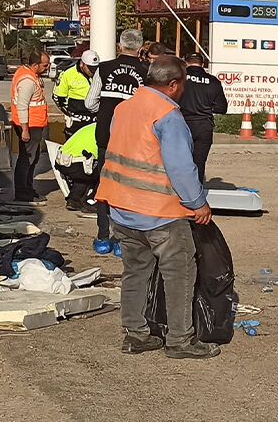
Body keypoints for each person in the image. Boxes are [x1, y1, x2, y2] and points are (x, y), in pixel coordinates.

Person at [96, 55, 218, 359]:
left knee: (135, 271)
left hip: (121, 207)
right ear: (174, 84)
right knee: (179, 272)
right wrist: (198, 204)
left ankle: (135, 334)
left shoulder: (124, 108)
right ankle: (180, 339)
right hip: (159, 213)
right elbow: (181, 167)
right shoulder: (168, 115)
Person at [85, 29, 148, 254]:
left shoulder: (104, 68)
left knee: (105, 186)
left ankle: (103, 238)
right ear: (140, 49)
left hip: (106, 136)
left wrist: (104, 113)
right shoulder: (147, 72)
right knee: (129, 188)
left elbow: (90, 102)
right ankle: (123, 240)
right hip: (134, 139)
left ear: (119, 46)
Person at [179, 52, 227, 184]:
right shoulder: (213, 82)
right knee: (199, 163)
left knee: (179, 162)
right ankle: (196, 195)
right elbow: (222, 108)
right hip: (203, 126)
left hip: (181, 124)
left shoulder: (179, 78)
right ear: (203, 64)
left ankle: (177, 194)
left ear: (185, 62)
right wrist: (205, 107)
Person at [9, 50, 51, 203]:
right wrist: (25, 130)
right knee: (27, 159)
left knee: (32, 159)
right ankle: (23, 192)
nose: (48, 67)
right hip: (29, 125)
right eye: (45, 65)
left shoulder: (30, 76)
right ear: (35, 65)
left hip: (32, 124)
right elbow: (22, 106)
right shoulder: (27, 81)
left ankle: (27, 188)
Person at [55, 123, 99, 211]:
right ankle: (90, 201)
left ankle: (74, 200)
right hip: (78, 163)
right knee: (105, 172)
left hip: (62, 161)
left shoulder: (92, 126)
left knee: (82, 178)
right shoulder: (107, 130)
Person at [55, 50, 99, 136]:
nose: (92, 71)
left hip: (94, 120)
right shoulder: (68, 74)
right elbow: (58, 98)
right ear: (82, 64)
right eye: (90, 68)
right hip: (76, 121)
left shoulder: (99, 73)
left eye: (95, 68)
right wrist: (71, 115)